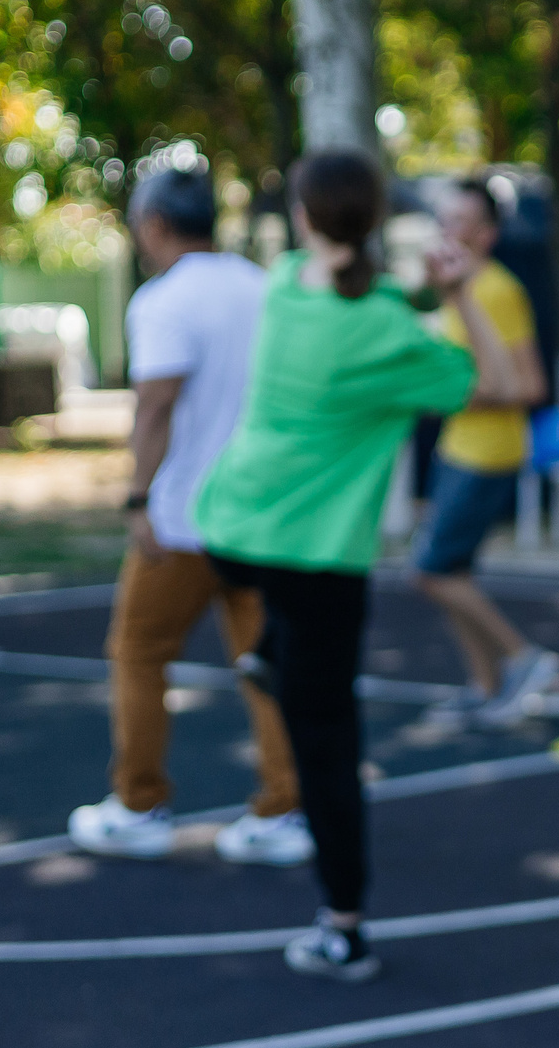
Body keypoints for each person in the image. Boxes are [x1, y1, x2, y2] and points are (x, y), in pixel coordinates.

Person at [193, 152, 477, 982]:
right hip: (319, 553)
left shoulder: (285, 284)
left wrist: (420, 293)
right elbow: (473, 380)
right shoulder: (388, 330)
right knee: (326, 749)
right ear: (378, 220)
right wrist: (456, 296)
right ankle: (344, 925)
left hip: (234, 526)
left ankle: (268, 652)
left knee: (280, 641)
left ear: (304, 219)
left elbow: (364, 292)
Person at [67, 169, 307, 864]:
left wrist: (137, 497)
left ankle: (139, 803)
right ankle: (286, 808)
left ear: (154, 225)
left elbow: (155, 408)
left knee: (139, 653)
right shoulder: (263, 289)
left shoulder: (164, 300)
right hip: (259, 516)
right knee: (263, 663)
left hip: (183, 519)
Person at [410, 176, 559, 728]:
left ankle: (526, 658)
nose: (447, 230)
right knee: (453, 573)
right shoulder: (455, 288)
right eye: (443, 219)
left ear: (487, 234)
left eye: (461, 222)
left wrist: (455, 395)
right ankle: (485, 685)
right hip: (458, 447)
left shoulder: (496, 290)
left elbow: (530, 386)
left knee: (431, 573)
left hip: (488, 453)